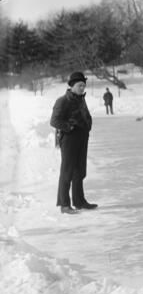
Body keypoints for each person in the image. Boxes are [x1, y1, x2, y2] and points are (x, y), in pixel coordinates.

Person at [50, 71, 98, 214]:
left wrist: (88, 125)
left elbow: (85, 116)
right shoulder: (63, 100)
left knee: (80, 171)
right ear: (72, 86)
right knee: (67, 172)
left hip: (82, 139)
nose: (82, 88)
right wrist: (70, 127)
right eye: (79, 85)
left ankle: (79, 201)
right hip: (69, 139)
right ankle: (64, 204)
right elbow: (54, 120)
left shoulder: (80, 99)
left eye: (83, 85)